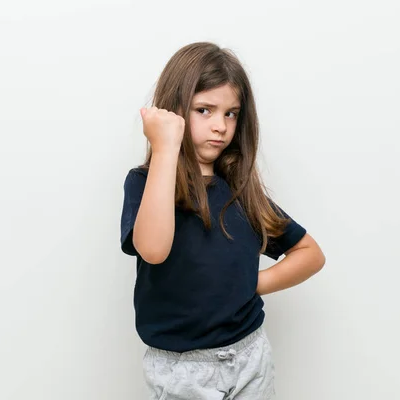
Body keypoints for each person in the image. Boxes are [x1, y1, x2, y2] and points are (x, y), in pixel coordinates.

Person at [119, 42, 326, 400]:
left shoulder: (241, 191)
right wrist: (167, 147)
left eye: (231, 114)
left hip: (250, 355)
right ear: (177, 110)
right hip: (182, 371)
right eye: (205, 110)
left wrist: (250, 284)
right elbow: (153, 250)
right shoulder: (145, 183)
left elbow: (310, 253)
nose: (221, 126)